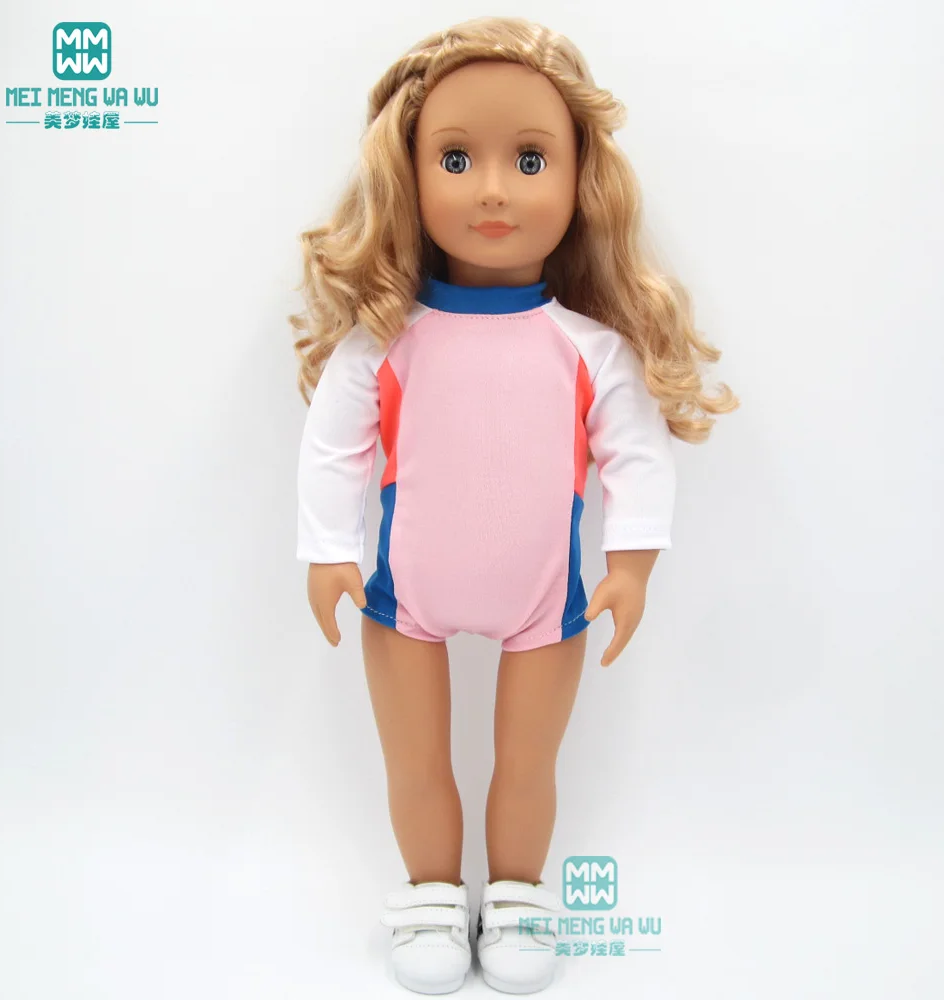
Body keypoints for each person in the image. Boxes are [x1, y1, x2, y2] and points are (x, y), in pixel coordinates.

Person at [290, 16, 737, 995]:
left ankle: (521, 897)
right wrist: (327, 549)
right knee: (417, 763)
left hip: (547, 602)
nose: (493, 189)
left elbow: (635, 456)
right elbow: (333, 445)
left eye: (529, 160)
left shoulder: (590, 348)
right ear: (409, 175)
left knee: (527, 765)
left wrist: (631, 564)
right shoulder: (383, 342)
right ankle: (429, 897)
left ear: (580, 180)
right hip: (401, 598)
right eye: (456, 159)